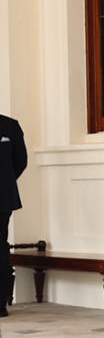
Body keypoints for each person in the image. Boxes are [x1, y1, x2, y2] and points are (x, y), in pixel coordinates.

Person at [0, 114, 27, 317]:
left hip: (2, 199)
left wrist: (5, 181)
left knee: (0, 249)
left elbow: (20, 161)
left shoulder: (10, 125)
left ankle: (0, 303)